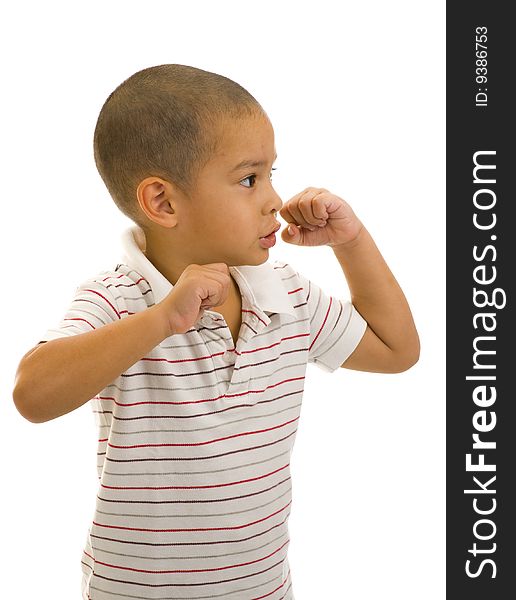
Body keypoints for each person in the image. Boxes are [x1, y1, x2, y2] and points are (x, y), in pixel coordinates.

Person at [12, 64, 419, 600]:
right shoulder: (118, 300)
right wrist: (162, 320)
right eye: (250, 179)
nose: (274, 198)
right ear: (163, 202)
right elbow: (32, 396)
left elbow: (397, 351)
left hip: (263, 590)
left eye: (273, 173)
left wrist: (353, 241)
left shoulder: (287, 294)